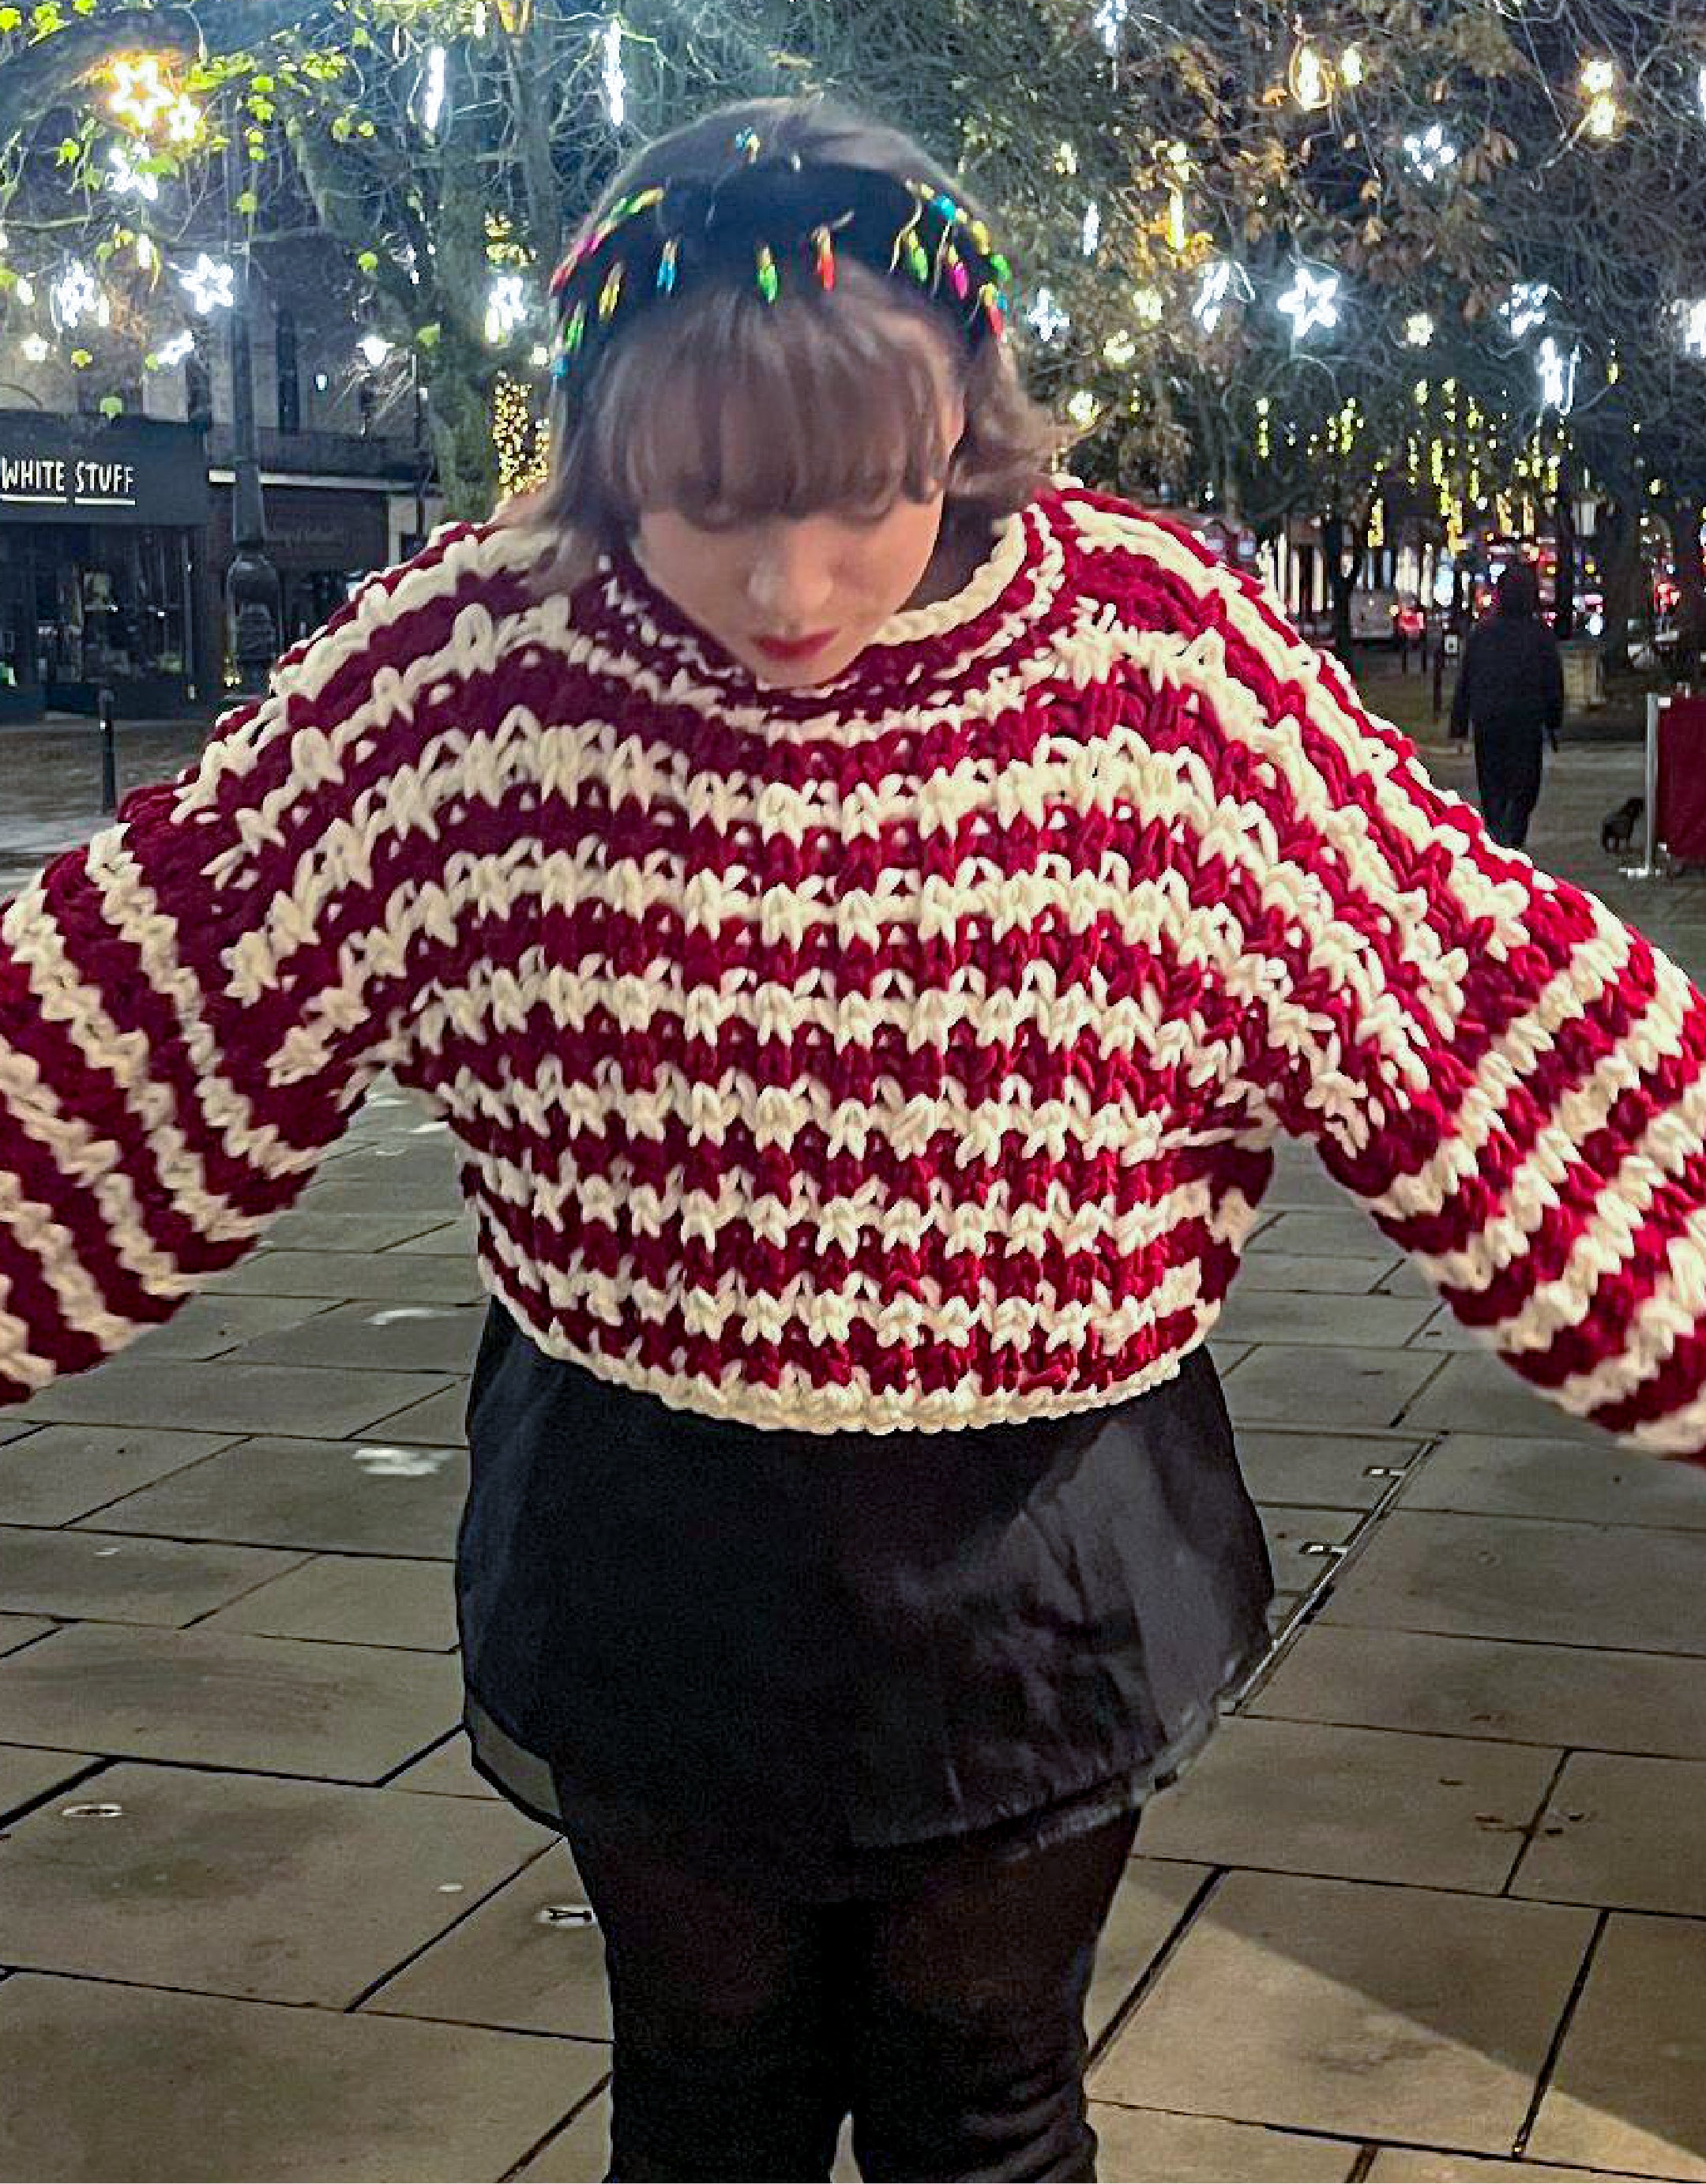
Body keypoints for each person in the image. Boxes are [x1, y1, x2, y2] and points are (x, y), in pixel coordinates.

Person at [2, 92, 1706, 2183]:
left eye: (863, 496)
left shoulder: (1162, 672)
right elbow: (152, 992)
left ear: (963, 425)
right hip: (650, 1538)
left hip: (1037, 1563)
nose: (788, 583)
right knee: (700, 2092)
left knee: (986, 2090)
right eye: (706, 502)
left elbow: (1474, 993)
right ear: (606, 448)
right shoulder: (469, 674)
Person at [1449, 560, 1565, 849]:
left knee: (1492, 782)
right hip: (1526, 720)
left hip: (1489, 719)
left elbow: (1466, 681)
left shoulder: (1482, 634)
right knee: (1524, 784)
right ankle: (1512, 832)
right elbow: (1553, 680)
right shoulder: (1540, 635)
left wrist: (1459, 724)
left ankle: (1497, 830)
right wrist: (1554, 719)